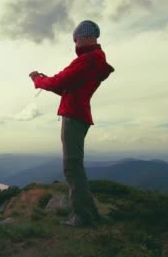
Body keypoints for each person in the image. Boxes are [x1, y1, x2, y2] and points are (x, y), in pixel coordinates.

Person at [29, 20, 115, 227]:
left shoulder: (88, 59)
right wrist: (46, 80)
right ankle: (90, 214)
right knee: (75, 165)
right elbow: (66, 87)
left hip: (74, 115)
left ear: (84, 37)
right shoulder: (95, 60)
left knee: (72, 167)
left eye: (75, 39)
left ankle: (82, 217)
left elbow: (59, 82)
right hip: (80, 114)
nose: (75, 44)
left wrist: (37, 80)